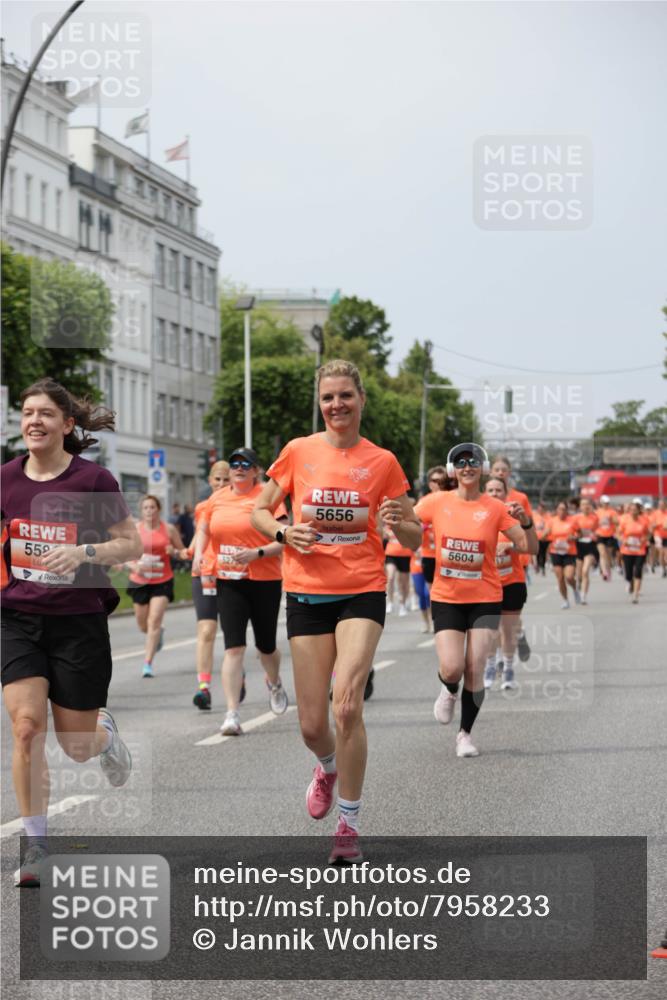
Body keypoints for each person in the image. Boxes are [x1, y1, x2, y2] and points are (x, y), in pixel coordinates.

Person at [252, 360, 420, 863]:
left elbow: (414, 536)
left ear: (361, 399)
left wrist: (398, 521)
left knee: (346, 703)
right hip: (305, 592)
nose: (337, 405)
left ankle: (348, 824)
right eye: (328, 397)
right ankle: (325, 765)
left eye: (345, 395)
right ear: (319, 403)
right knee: (311, 724)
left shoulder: (383, 462)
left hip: (361, 591)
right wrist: (284, 532)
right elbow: (260, 511)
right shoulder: (298, 452)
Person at [1, 378, 142, 887]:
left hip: (78, 621)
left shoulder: (93, 481)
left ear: (66, 424)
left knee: (76, 744)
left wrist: (84, 553)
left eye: (44, 413)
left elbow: (130, 545)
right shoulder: (5, 480)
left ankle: (104, 738)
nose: (34, 420)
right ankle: (36, 844)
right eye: (26, 412)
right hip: (16, 619)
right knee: (25, 727)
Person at [415, 443, 530, 757]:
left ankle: (465, 735)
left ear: (482, 467)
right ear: (454, 469)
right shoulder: (436, 502)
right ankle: (449, 688)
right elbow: (410, 525)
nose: (467, 466)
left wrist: (527, 523)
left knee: (476, 667)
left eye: (474, 461)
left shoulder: (495, 507)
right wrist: (397, 520)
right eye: (461, 462)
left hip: (486, 598)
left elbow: (526, 545)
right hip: (447, 597)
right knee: (452, 668)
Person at [192, 447, 289, 736]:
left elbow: (285, 538)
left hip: (264, 579)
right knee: (233, 647)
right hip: (229, 580)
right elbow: (204, 531)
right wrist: (199, 554)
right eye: (234, 463)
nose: (238, 468)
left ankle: (274, 682)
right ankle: (232, 713)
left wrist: (257, 553)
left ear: (256, 470)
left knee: (266, 646)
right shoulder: (217, 499)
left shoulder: (267, 498)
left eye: (245, 463)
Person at [182, 461, 230, 710]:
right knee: (206, 631)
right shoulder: (203, 507)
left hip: (231, 573)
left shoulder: (238, 505)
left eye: (226, 480)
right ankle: (204, 688)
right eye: (217, 480)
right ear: (210, 481)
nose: (221, 484)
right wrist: (187, 551)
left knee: (234, 633)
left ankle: (236, 678)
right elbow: (200, 535)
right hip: (203, 572)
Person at [484, 477, 538, 690]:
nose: (495, 493)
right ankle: (489, 666)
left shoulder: (513, 517)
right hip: (486, 583)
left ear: (506, 494)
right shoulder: (476, 517)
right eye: (490, 490)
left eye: (499, 490)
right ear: (484, 492)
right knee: (489, 630)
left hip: (512, 581)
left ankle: (507, 668)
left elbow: (531, 546)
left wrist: (511, 548)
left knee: (508, 630)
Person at [126, 496, 183, 678]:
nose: (149, 511)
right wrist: (134, 565)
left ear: (158, 509)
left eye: (152, 507)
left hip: (162, 580)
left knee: (154, 620)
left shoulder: (169, 529)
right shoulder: (135, 529)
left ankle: (147, 664)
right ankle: (158, 635)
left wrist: (174, 552)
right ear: (141, 511)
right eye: (146, 508)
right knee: (143, 623)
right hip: (139, 581)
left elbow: (183, 552)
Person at [489, 455, 533, 660]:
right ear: (490, 473)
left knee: (511, 615)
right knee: (500, 621)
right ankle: (517, 635)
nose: (500, 473)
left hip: (516, 561)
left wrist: (516, 547)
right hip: (491, 568)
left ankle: (516, 635)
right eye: (496, 470)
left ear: (509, 473)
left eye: (503, 470)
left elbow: (528, 525)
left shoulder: (519, 498)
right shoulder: (484, 499)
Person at [547, 501, 580, 608]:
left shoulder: (572, 521)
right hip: (555, 552)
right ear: (557, 510)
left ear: (567, 510)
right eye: (560, 509)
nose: (562, 511)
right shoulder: (552, 521)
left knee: (569, 577)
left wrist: (574, 537)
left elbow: (580, 533)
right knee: (560, 578)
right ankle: (566, 600)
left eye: (564, 509)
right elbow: (545, 533)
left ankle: (575, 589)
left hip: (569, 552)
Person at [618, 499, 650, 603]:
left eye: (635, 510)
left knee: (638, 570)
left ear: (638, 511)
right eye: (631, 510)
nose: (633, 512)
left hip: (640, 550)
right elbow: (618, 533)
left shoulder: (644, 520)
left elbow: (649, 533)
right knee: (628, 573)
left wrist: (644, 539)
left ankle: (635, 595)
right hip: (627, 550)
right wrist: (623, 540)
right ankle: (630, 583)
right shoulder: (624, 520)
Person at [573, 497, 599, 605]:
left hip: (590, 546)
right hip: (579, 546)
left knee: (585, 571)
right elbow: (573, 531)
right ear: (580, 507)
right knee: (579, 574)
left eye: (587, 504)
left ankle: (584, 595)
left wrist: (595, 535)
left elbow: (598, 530)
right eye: (583, 504)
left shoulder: (595, 518)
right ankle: (579, 583)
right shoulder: (576, 518)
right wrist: (576, 535)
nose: (586, 506)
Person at [595, 495, 619, 581]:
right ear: (601, 503)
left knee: (608, 555)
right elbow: (594, 523)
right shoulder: (597, 512)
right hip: (600, 535)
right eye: (604, 503)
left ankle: (608, 570)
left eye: (607, 503)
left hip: (609, 535)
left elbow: (617, 522)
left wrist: (611, 519)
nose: (606, 504)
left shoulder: (612, 512)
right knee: (602, 553)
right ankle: (604, 571)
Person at [534, 503, 551, 576]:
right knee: (538, 552)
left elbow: (549, 527)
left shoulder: (548, 516)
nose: (540, 510)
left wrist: (545, 534)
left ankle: (543, 567)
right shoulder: (535, 516)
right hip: (537, 537)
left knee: (543, 553)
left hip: (545, 538)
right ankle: (538, 565)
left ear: (544, 509)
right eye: (539, 509)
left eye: (541, 509)